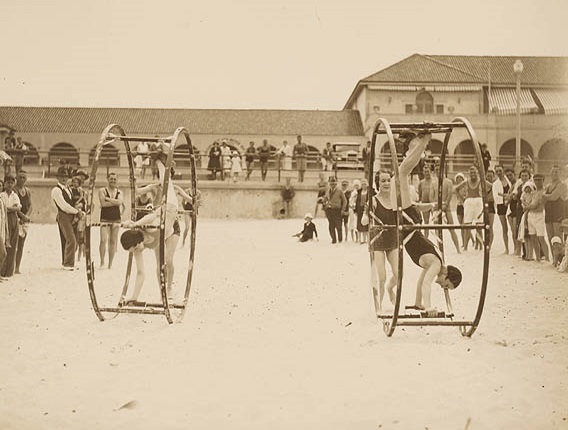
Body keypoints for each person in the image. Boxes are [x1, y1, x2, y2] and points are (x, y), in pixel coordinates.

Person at [389, 129, 462, 315]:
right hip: (409, 221)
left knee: (396, 178)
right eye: (446, 285)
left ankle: (414, 144)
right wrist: (429, 308)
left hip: (408, 224)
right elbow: (428, 284)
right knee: (402, 174)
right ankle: (423, 141)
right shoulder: (437, 265)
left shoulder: (435, 264)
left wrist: (418, 303)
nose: (442, 286)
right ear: (447, 276)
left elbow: (422, 281)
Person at [120, 153, 186, 303]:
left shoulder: (148, 228)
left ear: (136, 242)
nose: (136, 251)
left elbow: (150, 218)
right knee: (159, 265)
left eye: (134, 248)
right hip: (161, 218)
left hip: (169, 209)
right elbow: (141, 273)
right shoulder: (137, 248)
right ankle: (163, 292)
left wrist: (135, 223)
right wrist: (133, 298)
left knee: (166, 182)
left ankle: (158, 161)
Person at [366, 170, 398, 313]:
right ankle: (378, 306)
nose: (386, 183)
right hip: (378, 239)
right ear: (377, 183)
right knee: (382, 275)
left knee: (399, 273)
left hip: (392, 237)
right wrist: (367, 214)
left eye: (388, 180)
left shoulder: (396, 200)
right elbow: (364, 220)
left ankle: (390, 289)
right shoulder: (373, 200)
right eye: (382, 181)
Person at [51, 167, 83, 270]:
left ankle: (68, 261)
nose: (64, 178)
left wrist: (79, 210)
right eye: (61, 176)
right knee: (71, 239)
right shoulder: (56, 190)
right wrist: (76, 211)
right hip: (64, 215)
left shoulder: (68, 189)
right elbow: (63, 206)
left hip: (72, 215)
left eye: (65, 176)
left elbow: (72, 203)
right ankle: (68, 264)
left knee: (74, 240)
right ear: (57, 177)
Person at [432, 162, 461, 254]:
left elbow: (449, 195)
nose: (438, 171)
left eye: (439, 169)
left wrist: (445, 205)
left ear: (444, 170)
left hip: (446, 208)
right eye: (436, 170)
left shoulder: (448, 182)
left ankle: (458, 249)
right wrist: (435, 206)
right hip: (437, 208)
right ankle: (440, 249)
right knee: (437, 230)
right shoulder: (434, 182)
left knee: (451, 228)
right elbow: (431, 196)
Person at [98, 172, 123, 269]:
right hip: (104, 217)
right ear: (107, 179)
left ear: (117, 180)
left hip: (116, 218)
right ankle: (102, 262)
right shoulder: (102, 190)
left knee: (113, 241)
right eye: (111, 179)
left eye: (115, 179)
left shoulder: (120, 192)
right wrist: (115, 202)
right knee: (103, 240)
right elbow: (103, 204)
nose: (113, 181)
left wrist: (108, 199)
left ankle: (110, 264)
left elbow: (120, 202)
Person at [0, 175, 21, 278]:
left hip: (13, 219)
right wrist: (11, 208)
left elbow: (18, 208)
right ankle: (2, 271)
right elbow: (5, 209)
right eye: (7, 182)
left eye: (11, 183)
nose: (9, 185)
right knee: (4, 243)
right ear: (4, 184)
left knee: (13, 244)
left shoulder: (14, 195)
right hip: (4, 219)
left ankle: (9, 272)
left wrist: (10, 208)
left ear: (14, 184)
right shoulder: (2, 195)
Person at [543, 165, 567, 250]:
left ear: (560, 173)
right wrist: (545, 196)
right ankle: (554, 259)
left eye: (556, 172)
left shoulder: (562, 185)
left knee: (558, 238)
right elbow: (543, 199)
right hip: (548, 213)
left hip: (558, 213)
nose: (554, 174)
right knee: (550, 238)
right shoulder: (548, 186)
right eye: (552, 172)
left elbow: (554, 197)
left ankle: (560, 259)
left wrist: (544, 196)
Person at [14, 170, 32, 274]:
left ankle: (17, 267)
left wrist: (26, 217)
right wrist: (21, 217)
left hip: (25, 220)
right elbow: (16, 206)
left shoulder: (27, 190)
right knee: (13, 244)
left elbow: (31, 206)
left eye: (24, 177)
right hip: (16, 218)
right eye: (20, 177)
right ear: (16, 178)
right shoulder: (15, 190)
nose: (22, 179)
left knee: (21, 244)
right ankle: (10, 266)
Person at [492, 165, 512, 254]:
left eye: (500, 170)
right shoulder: (495, 184)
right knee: (505, 228)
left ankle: (515, 248)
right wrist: (506, 197)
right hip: (501, 206)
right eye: (497, 171)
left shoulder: (509, 180)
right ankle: (507, 248)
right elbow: (496, 196)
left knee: (513, 227)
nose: (499, 173)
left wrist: (505, 197)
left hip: (510, 204)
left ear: (503, 170)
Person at [323, 176, 347, 244]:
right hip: (330, 211)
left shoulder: (340, 191)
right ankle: (333, 240)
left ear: (336, 183)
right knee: (331, 226)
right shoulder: (327, 191)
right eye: (331, 183)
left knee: (338, 226)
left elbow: (345, 201)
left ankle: (340, 240)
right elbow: (325, 200)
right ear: (329, 183)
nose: (332, 185)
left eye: (334, 183)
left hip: (337, 210)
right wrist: (325, 205)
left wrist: (342, 210)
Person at [70, 174, 87, 263]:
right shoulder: (71, 190)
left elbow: (83, 199)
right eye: (74, 182)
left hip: (80, 208)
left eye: (77, 182)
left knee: (81, 235)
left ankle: (81, 255)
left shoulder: (81, 190)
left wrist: (78, 202)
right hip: (73, 209)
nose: (75, 184)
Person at [417, 163, 436, 238]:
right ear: (423, 172)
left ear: (431, 172)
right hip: (424, 204)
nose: (427, 173)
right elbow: (420, 194)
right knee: (426, 222)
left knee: (435, 221)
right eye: (425, 172)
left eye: (428, 171)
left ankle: (438, 238)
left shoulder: (434, 181)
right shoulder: (421, 183)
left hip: (432, 203)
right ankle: (426, 238)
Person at [355, 178, 370, 244]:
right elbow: (357, 201)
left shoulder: (369, 192)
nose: (364, 186)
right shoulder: (359, 192)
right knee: (359, 224)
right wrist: (355, 209)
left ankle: (366, 239)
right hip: (359, 209)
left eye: (365, 184)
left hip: (366, 209)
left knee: (366, 224)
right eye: (362, 184)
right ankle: (360, 239)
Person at [0, 180, 8, 281]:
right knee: (3, 253)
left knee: (2, 253)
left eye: (0, 186)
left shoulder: (1, 199)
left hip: (1, 229)